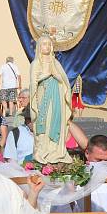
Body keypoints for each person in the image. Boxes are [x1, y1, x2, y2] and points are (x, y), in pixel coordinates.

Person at [30, 36, 73, 164]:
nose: (47, 47)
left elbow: (64, 81)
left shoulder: (55, 63)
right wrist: (46, 75)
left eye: (49, 44)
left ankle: (56, 151)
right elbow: (33, 83)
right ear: (39, 47)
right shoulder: (36, 63)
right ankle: (43, 152)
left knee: (55, 122)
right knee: (44, 124)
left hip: (57, 100)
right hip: (43, 99)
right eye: (44, 44)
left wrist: (57, 77)